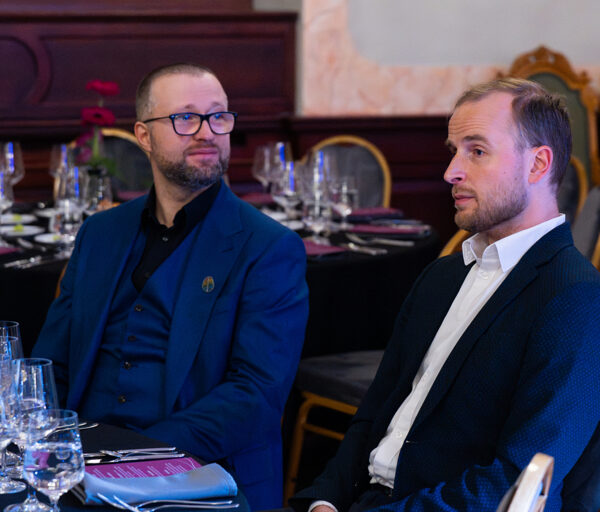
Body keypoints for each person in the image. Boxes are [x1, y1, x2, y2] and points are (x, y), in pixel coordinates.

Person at [290, 78, 600, 512]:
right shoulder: (441, 276)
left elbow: (514, 485)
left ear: (537, 164)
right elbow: (371, 416)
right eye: (453, 151)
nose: (450, 172)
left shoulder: (575, 298)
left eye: (477, 151)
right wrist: (324, 500)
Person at [33, 63, 309, 511]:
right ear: (144, 136)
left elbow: (255, 395)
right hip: (80, 469)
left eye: (218, 116)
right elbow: (53, 366)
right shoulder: (100, 233)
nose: (206, 132)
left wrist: (132, 458)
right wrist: (49, 454)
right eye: (185, 118)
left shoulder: (269, 247)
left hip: (200, 475)